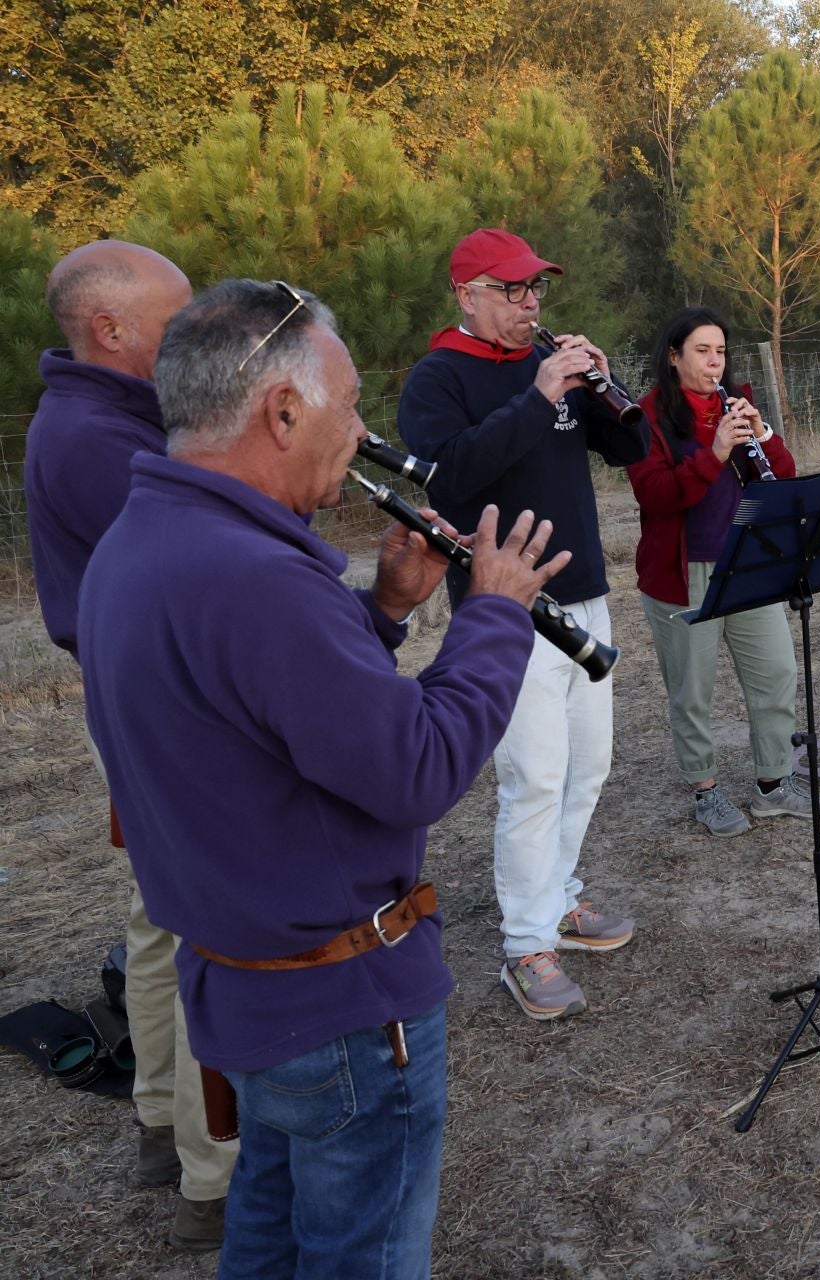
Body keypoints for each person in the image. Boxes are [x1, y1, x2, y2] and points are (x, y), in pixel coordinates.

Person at [78, 278, 563, 1274]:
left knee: (269, 1234)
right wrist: (495, 613)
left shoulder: (142, 539)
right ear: (282, 409)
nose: (359, 428)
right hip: (343, 1012)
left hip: (252, 992)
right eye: (348, 405)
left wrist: (381, 610)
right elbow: (417, 767)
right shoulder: (258, 576)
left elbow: (259, 720)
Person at [23, 240, 235, 1252]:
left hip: (137, 695)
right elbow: (195, 564)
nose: (194, 332)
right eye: (177, 315)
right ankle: (216, 1173)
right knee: (206, 930)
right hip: (161, 705)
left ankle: (162, 1118)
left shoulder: (109, 417)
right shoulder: (97, 439)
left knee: (159, 922)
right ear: (110, 330)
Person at [398, 228, 650, 1020]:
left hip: (582, 588)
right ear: (466, 295)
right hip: (505, 604)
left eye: (535, 288)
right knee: (534, 776)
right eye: (510, 289)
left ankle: (560, 896)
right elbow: (452, 472)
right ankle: (525, 944)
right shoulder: (438, 377)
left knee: (590, 766)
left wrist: (607, 382)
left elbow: (634, 445)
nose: (530, 302)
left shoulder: (555, 365)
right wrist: (539, 395)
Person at [625, 307, 820, 835]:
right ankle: (706, 790)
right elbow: (657, 495)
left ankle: (772, 784)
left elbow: (781, 477)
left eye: (720, 351)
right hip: (682, 573)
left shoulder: (736, 403)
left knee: (775, 672)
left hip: (747, 562)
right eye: (702, 351)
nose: (714, 362)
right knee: (692, 689)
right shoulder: (645, 416)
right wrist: (715, 453)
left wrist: (763, 435)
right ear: (673, 358)